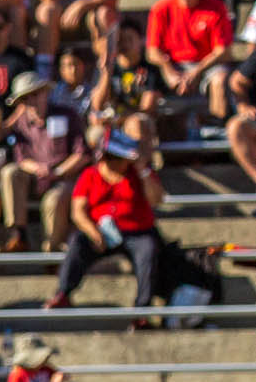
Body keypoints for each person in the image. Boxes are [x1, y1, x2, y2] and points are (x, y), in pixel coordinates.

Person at [50, 131, 217, 318]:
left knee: (148, 250)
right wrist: (93, 232)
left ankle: (141, 310)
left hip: (138, 232)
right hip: (101, 232)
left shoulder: (138, 174)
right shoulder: (90, 175)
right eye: (114, 158)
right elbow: (77, 211)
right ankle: (63, 294)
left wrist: (143, 170)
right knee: (78, 242)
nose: (119, 163)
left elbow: (157, 199)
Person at [147, 0, 232, 125]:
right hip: (174, 65)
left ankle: (220, 130)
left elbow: (223, 51)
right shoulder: (161, 9)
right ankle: (147, 136)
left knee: (220, 80)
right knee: (148, 83)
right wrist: (169, 70)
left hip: (206, 65)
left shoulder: (216, 7)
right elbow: (152, 52)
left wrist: (197, 71)